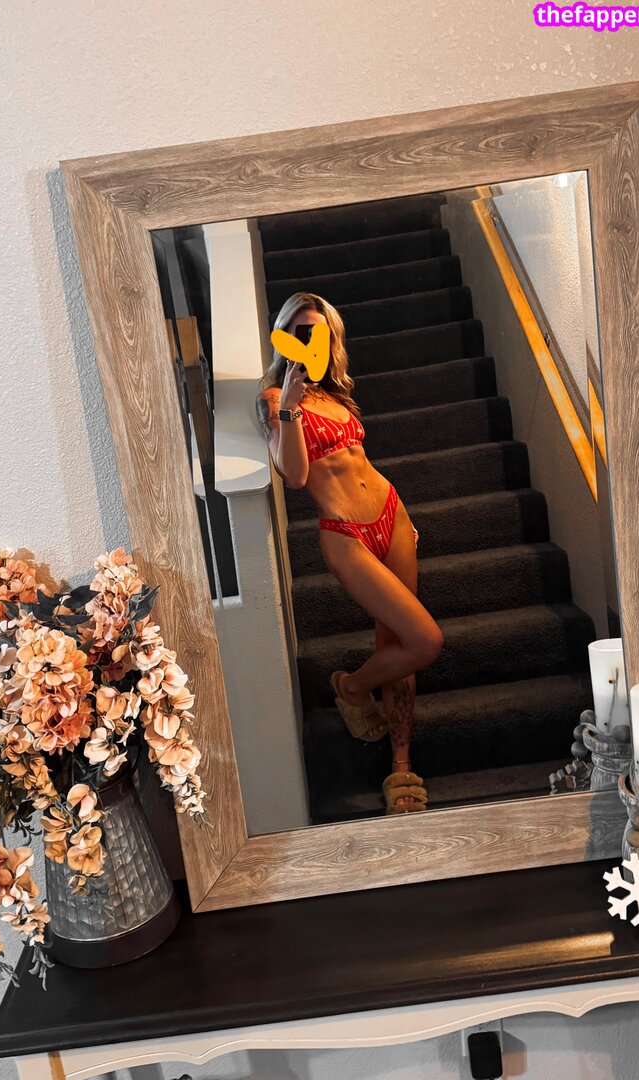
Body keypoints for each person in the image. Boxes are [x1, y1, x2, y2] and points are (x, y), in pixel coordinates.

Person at [256, 291, 443, 814]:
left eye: (319, 331)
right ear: (284, 335)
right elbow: (296, 476)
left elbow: (359, 463)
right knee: (425, 640)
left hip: (392, 516)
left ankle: (401, 767)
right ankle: (353, 688)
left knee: (397, 641)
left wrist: (401, 519)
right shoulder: (273, 399)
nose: (310, 339)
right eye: (300, 330)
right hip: (344, 533)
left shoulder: (338, 395)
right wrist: (290, 406)